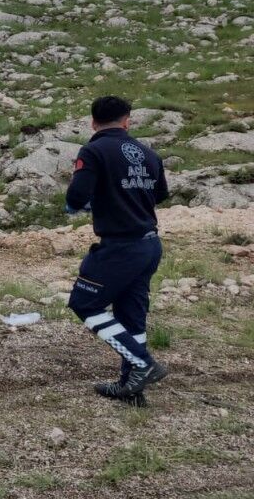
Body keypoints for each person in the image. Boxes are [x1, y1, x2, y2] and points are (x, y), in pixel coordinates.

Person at [64, 96, 170, 406]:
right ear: (127, 121)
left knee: (84, 303)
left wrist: (84, 204)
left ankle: (142, 362)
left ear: (93, 123)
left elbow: (76, 197)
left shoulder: (93, 150)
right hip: (149, 245)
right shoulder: (150, 154)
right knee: (131, 315)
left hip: (120, 247)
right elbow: (159, 194)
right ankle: (130, 388)